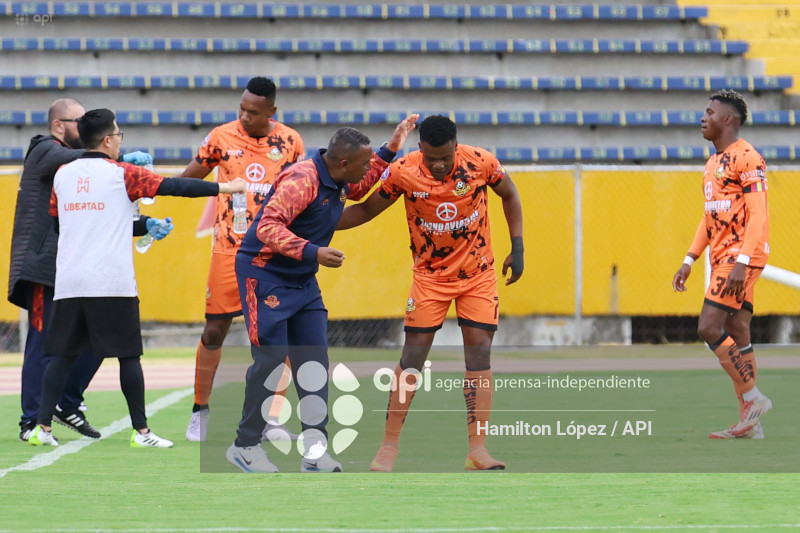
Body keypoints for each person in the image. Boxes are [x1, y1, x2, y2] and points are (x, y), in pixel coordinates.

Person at [27, 108, 247, 448]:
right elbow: (175, 186)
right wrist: (225, 187)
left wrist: (140, 226)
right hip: (111, 281)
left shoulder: (62, 175)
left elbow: (61, 226)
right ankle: (141, 432)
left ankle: (42, 429)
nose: (119, 141)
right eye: (118, 136)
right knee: (129, 357)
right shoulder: (123, 174)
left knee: (62, 356)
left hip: (70, 281)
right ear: (107, 140)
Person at [226, 115, 419, 473]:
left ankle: (314, 452)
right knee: (271, 360)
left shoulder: (340, 176)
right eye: (362, 164)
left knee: (314, 364)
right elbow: (267, 226)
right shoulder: (302, 180)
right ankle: (245, 445)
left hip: (302, 282)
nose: (366, 171)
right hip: (264, 275)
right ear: (344, 163)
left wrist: (390, 149)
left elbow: (361, 187)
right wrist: (314, 252)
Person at [337, 115, 524, 472]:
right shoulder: (405, 171)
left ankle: (478, 449)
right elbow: (365, 210)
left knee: (479, 354)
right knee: (413, 357)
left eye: (444, 157)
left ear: (457, 146)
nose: (437, 165)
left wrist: (519, 247)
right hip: (430, 279)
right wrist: (315, 221)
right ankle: (388, 446)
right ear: (419, 148)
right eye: (430, 157)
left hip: (477, 275)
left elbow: (510, 194)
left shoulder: (481, 162)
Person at [8, 98, 154, 442]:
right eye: (79, 121)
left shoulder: (80, 169)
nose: (87, 128)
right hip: (45, 264)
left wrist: (144, 223)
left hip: (73, 267)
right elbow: (80, 159)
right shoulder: (45, 149)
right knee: (44, 344)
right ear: (59, 126)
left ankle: (66, 401)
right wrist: (112, 159)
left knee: (96, 339)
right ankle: (31, 419)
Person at [173, 77, 305, 442]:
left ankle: (270, 418)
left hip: (274, 254)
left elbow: (302, 192)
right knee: (214, 330)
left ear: (271, 112)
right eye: (241, 109)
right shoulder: (220, 137)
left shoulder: (291, 142)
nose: (244, 117)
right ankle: (200, 410)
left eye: (253, 112)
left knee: (276, 338)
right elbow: (190, 179)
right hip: (229, 250)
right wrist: (158, 187)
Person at [672, 89, 772, 440]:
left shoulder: (748, 158)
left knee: (708, 327)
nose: (704, 117)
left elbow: (758, 214)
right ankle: (751, 423)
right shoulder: (714, 163)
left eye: (710, 112)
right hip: (722, 257)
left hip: (741, 257)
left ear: (727, 119)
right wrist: (690, 258)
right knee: (739, 329)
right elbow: (709, 215)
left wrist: (743, 262)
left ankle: (753, 398)